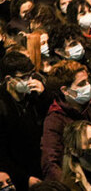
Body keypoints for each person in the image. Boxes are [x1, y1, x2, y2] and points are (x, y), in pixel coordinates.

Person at [0, 52, 49, 191]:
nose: (29, 80)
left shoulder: (34, 96)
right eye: (23, 77)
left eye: (31, 75)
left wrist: (44, 96)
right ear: (9, 79)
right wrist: (24, 178)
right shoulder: (3, 106)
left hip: (40, 166)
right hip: (18, 175)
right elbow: (2, 154)